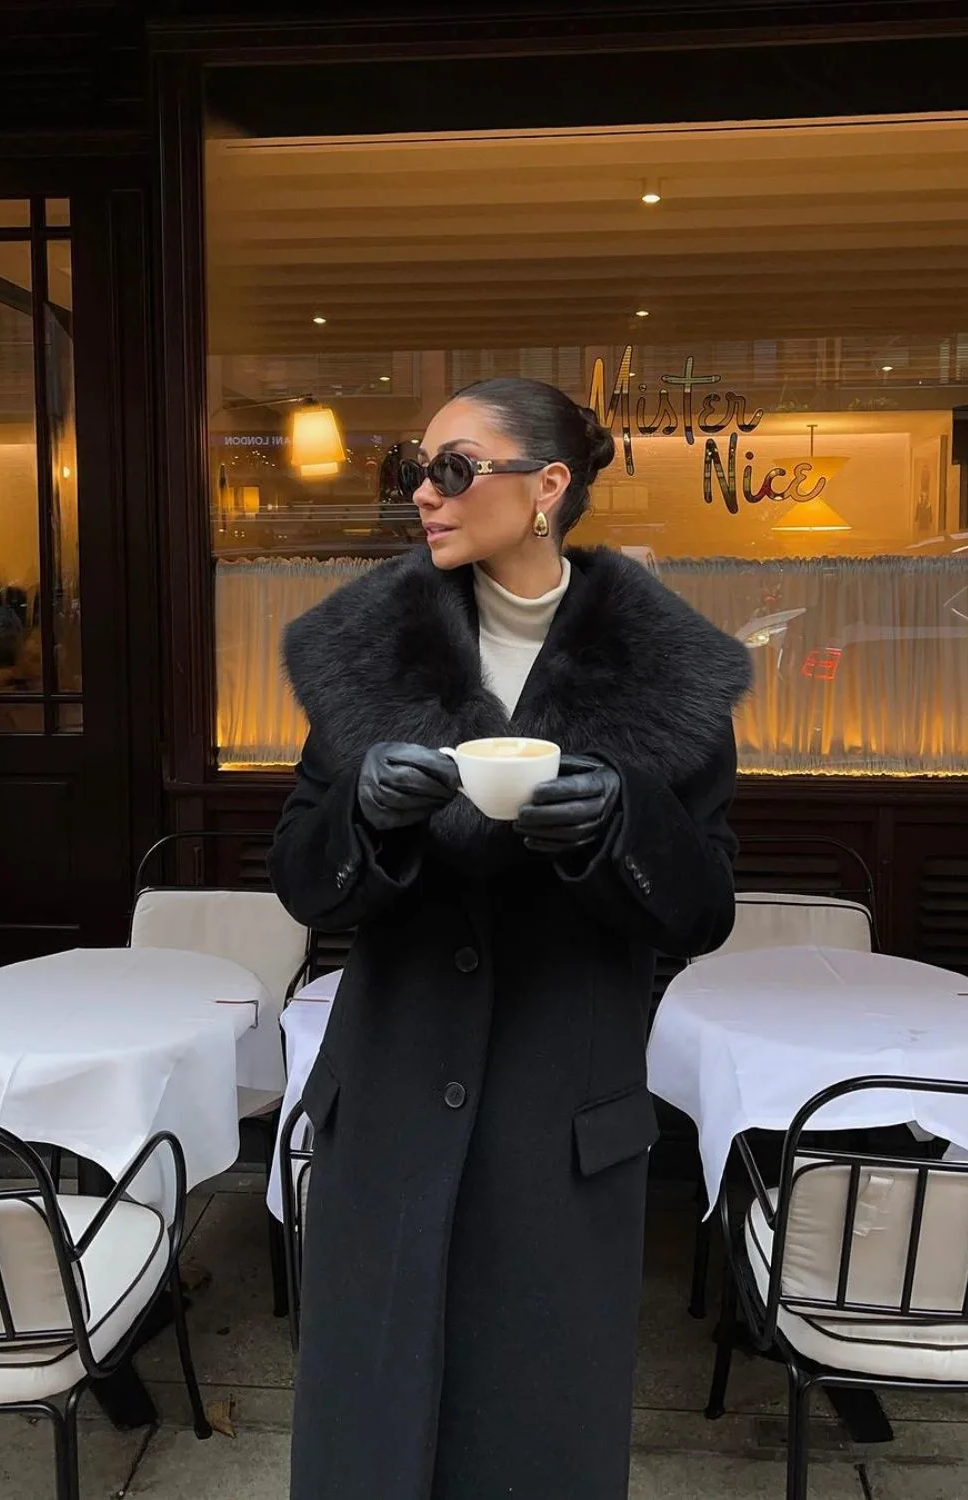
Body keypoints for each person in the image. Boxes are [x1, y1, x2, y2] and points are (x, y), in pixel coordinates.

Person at [270, 377, 752, 1500]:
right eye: (413, 470)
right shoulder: (364, 652)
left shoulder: (668, 673)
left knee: (535, 1435)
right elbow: (301, 877)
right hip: (385, 1110)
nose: (422, 497)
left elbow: (704, 906)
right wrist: (364, 817)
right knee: (370, 1432)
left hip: (559, 1128)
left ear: (546, 488)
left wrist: (622, 823)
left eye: (452, 468)